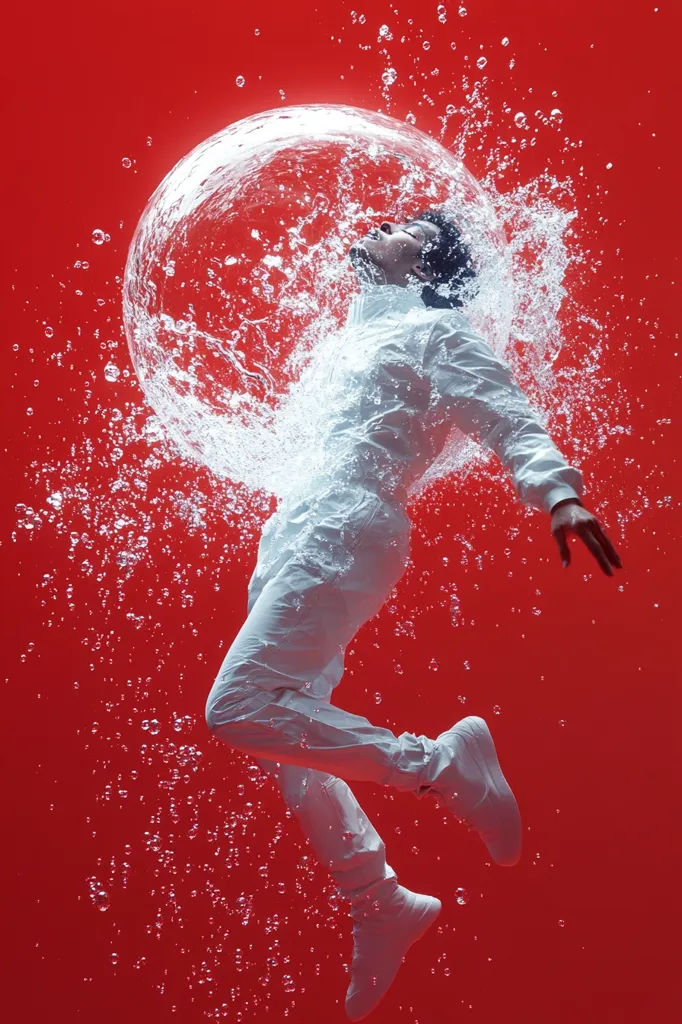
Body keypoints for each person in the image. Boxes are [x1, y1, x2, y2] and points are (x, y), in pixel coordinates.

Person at [205, 209, 623, 1021]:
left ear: (426, 262)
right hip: (298, 526)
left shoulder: (437, 330)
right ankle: (377, 898)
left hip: (348, 526)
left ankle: (441, 764)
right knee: (288, 740)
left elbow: (507, 413)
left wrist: (558, 493)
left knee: (240, 709)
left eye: (405, 223)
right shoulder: (342, 347)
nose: (378, 220)